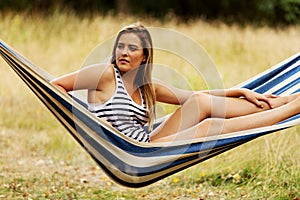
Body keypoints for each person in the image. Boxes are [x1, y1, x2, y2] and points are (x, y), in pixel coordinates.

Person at [51, 23, 300, 143]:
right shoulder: (104, 74)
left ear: (145, 56)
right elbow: (56, 86)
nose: (124, 53)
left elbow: (195, 95)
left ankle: (285, 101)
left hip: (147, 142)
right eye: (120, 47)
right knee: (209, 126)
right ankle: (292, 109)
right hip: (134, 149)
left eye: (132, 48)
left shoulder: (147, 87)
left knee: (200, 102)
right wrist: (87, 119)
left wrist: (240, 90)